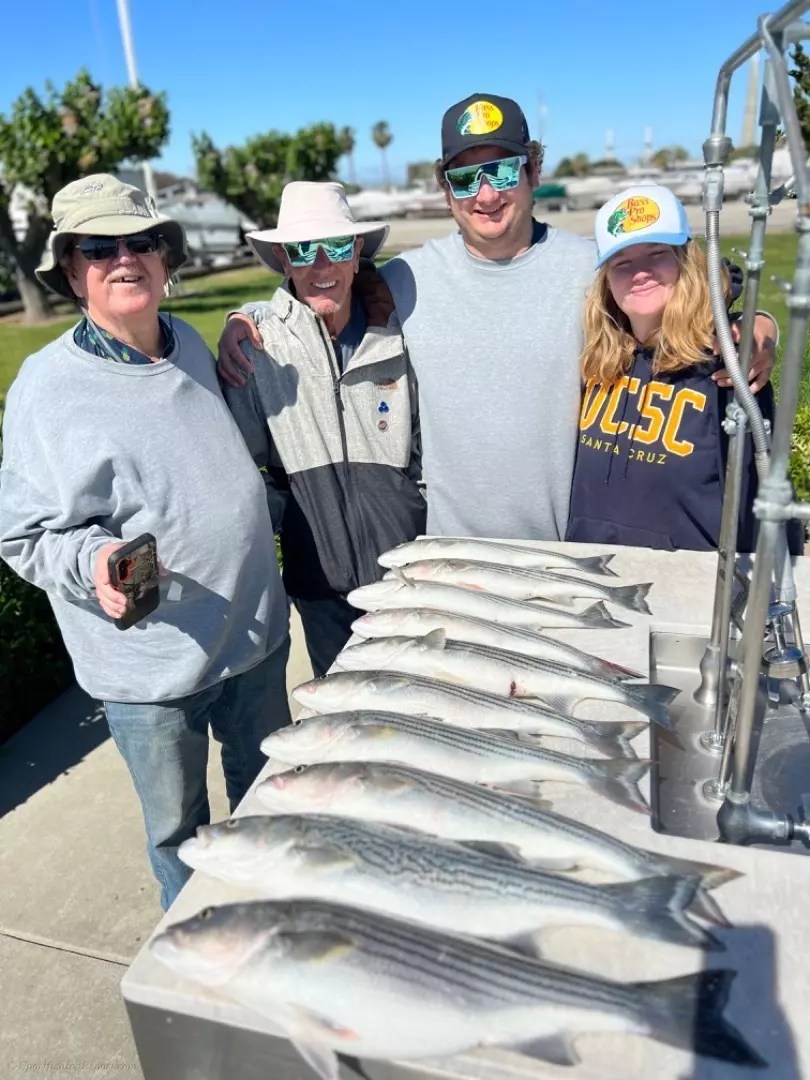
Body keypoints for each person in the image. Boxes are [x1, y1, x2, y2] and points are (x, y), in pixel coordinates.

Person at [218, 93, 775, 543]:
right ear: (445, 190)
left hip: (570, 552)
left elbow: (679, 280)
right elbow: (319, 284)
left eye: (501, 172)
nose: (484, 194)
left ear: (533, 167)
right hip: (451, 559)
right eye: (464, 179)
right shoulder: (402, 278)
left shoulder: (593, 267)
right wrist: (247, 318)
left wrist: (757, 322)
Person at [0, 175, 291, 911]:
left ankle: (271, 933)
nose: (124, 258)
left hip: (253, 640)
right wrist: (91, 561)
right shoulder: (46, 386)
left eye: (141, 242)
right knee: (179, 836)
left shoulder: (186, 340)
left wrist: (239, 315)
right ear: (71, 271)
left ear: (165, 261)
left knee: (270, 816)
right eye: (99, 248)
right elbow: (25, 534)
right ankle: (198, 965)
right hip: (152, 674)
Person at [220, 181, 424, 676]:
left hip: (411, 581)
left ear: (357, 254)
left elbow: (430, 449)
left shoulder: (405, 332)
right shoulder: (256, 346)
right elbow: (241, 469)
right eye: (303, 251)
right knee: (346, 732)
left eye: (335, 247)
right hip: (319, 590)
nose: (321, 266)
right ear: (284, 261)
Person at [565, 184, 779, 552]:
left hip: (687, 592)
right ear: (606, 280)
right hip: (592, 579)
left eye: (657, 254)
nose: (641, 273)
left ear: (685, 260)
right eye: (622, 262)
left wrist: (760, 325)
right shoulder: (598, 363)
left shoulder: (727, 368)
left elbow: (760, 506)